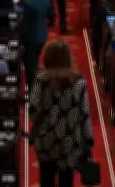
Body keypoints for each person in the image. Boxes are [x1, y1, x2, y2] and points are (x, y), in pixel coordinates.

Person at [29, 39, 94, 187]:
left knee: (46, 180)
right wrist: (88, 140)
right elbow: (84, 114)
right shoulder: (79, 82)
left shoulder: (40, 81)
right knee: (66, 181)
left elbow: (33, 112)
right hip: (69, 141)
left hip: (46, 140)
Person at [19, 0, 54, 90]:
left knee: (30, 66)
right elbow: (50, 15)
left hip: (30, 38)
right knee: (35, 61)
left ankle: (33, 91)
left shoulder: (26, 1)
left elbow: (24, 23)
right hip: (43, 35)